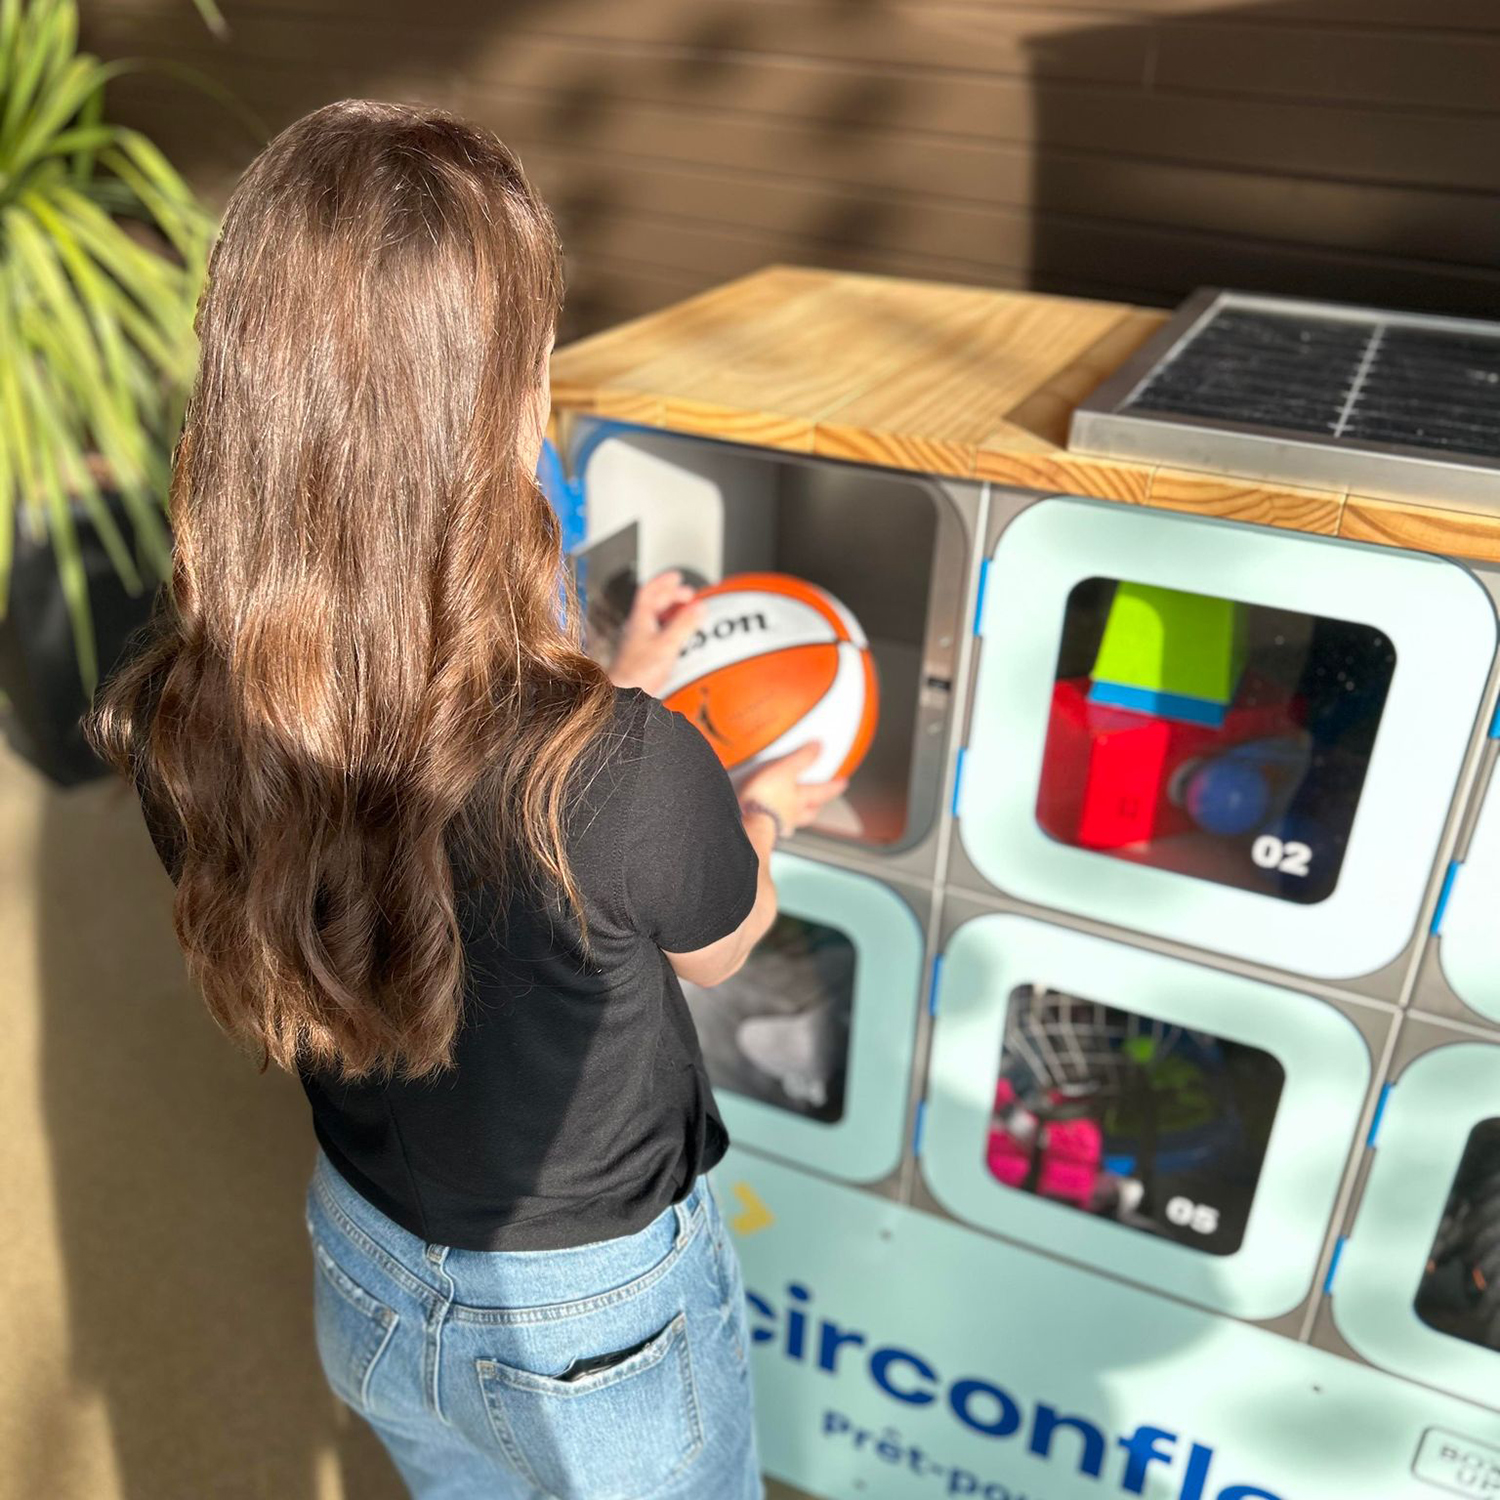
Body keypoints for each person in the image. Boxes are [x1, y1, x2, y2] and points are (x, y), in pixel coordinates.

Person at [88, 99, 845, 1500]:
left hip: (363, 1264)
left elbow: (428, 773)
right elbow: (724, 945)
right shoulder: (629, 771)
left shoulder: (177, 716)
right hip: (596, 1327)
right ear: (501, 407)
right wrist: (767, 812)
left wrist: (613, 682)